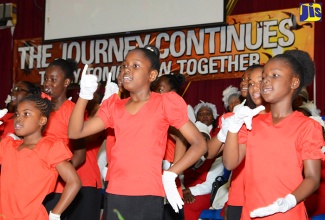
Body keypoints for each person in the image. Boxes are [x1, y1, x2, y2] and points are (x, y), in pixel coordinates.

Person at [68, 45, 207, 220]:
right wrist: (84, 95)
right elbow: (75, 132)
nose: (127, 69)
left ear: (152, 75)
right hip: (115, 192)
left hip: (148, 193)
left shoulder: (165, 103)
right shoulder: (114, 106)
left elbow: (199, 144)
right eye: (124, 65)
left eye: (135, 66)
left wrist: (171, 174)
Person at [223, 49, 325, 219]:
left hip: (287, 213)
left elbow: (313, 178)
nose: (265, 81)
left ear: (294, 83)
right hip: (252, 213)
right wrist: (233, 128)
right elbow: (230, 163)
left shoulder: (307, 126)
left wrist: (288, 202)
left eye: (275, 75)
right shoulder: (251, 122)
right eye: (263, 77)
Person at [0, 92, 81, 220]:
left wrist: (55, 214)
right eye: (17, 114)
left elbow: (74, 182)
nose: (18, 119)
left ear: (42, 120)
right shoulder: (8, 146)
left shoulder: (49, 147)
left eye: (26, 114)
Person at [41, 58, 87, 219]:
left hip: (57, 187)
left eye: (53, 80)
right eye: (46, 78)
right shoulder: (38, 107)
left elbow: (80, 155)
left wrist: (58, 171)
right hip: (35, 181)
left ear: (66, 82)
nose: (47, 83)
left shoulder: (72, 111)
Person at [182, 121, 224, 220]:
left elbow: (209, 185)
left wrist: (189, 191)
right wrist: (184, 191)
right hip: (184, 192)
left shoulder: (216, 159)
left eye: (204, 139)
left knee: (188, 207)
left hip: (203, 193)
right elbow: (179, 178)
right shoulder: (185, 156)